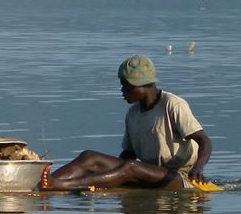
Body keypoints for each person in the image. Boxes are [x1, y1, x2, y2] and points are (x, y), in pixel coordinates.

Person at [43, 54, 212, 191]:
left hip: (179, 176)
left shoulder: (173, 104)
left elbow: (204, 141)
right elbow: (128, 155)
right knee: (90, 157)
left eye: (126, 86)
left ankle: (60, 185)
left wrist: (198, 168)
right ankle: (46, 181)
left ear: (143, 85)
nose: (122, 91)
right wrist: (110, 173)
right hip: (147, 172)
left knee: (131, 167)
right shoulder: (133, 113)